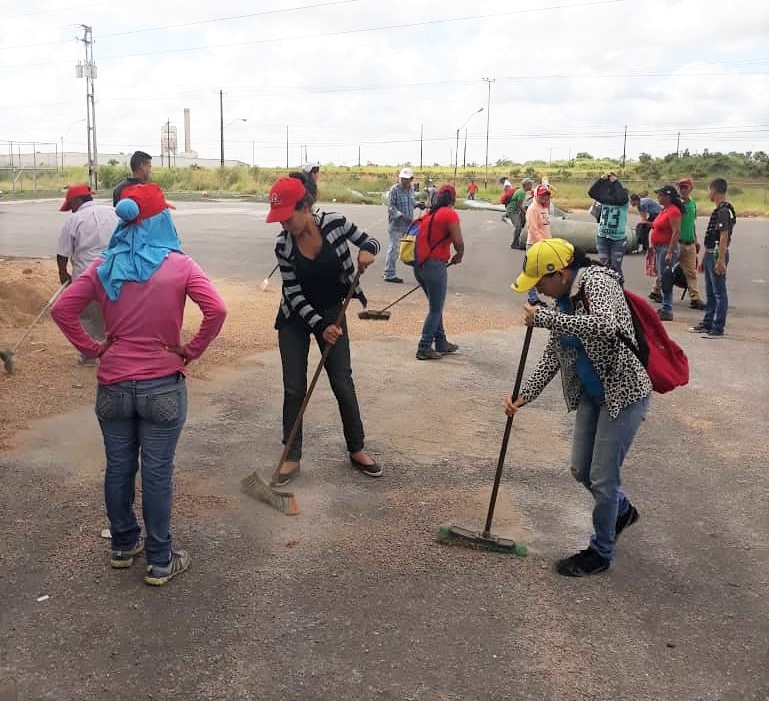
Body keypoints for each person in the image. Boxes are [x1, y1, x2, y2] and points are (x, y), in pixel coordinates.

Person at [51, 182, 227, 586]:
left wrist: (94, 348)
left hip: (113, 383)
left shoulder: (104, 265)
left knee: (118, 467)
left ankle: (122, 545)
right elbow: (216, 309)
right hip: (163, 384)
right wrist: (190, 350)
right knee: (157, 472)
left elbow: (63, 310)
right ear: (160, 220)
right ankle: (160, 559)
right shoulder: (179, 265)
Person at [507, 238, 652, 577]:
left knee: (602, 479)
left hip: (623, 394)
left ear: (558, 273)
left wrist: (545, 319)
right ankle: (622, 510)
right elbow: (552, 357)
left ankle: (600, 552)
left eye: (540, 281)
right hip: (592, 394)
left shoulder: (597, 282)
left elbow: (605, 324)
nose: (539, 291)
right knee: (581, 471)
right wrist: (523, 395)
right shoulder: (561, 302)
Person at [267, 174, 382, 486]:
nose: (283, 225)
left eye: (287, 218)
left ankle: (356, 448)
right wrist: (320, 326)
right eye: (278, 220)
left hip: (334, 308)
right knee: (294, 387)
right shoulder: (283, 245)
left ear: (305, 206)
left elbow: (370, 241)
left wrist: (367, 251)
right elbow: (293, 293)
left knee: (342, 381)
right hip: (296, 317)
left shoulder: (335, 222)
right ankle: (291, 455)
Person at [56, 184, 118, 363]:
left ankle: (90, 354)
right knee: (113, 312)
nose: (71, 210)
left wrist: (63, 273)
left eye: (70, 205)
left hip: (86, 275)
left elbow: (62, 253)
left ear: (76, 200)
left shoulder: (74, 220)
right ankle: (114, 351)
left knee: (88, 315)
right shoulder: (113, 212)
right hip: (115, 271)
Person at [413, 185, 465, 360]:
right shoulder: (449, 214)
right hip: (435, 265)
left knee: (436, 306)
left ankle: (441, 342)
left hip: (419, 265)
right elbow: (458, 241)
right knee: (435, 308)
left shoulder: (428, 214)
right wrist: (460, 254)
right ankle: (424, 347)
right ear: (453, 199)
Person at [690, 178, 735, 338]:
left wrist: (720, 260)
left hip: (717, 254)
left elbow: (724, 236)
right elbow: (712, 238)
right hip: (710, 253)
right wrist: (703, 258)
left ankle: (718, 326)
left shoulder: (723, 211)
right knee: (710, 292)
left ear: (714, 191)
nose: (709, 193)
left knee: (719, 292)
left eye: (709, 190)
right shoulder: (719, 210)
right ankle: (708, 322)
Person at [649, 185, 684, 321]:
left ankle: (667, 308)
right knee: (662, 278)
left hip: (666, 248)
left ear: (668, 197)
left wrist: (670, 251)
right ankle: (665, 306)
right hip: (660, 248)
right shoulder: (665, 210)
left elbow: (676, 232)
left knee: (666, 279)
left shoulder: (673, 211)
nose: (658, 197)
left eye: (661, 195)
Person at [587, 172, 629, 277]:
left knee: (615, 268)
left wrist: (615, 181)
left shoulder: (623, 200)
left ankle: (619, 289)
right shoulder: (605, 199)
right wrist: (601, 180)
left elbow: (621, 198)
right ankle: (608, 289)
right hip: (603, 237)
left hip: (618, 239)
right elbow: (592, 192)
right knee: (604, 266)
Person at [676, 177, 705, 310]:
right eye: (680, 187)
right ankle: (657, 290)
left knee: (691, 272)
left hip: (689, 242)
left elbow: (691, 223)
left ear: (690, 188)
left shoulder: (692, 204)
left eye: (685, 187)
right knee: (666, 269)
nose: (682, 190)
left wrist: (695, 239)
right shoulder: (676, 204)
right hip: (676, 242)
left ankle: (694, 298)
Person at [523, 184, 553, 306]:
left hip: (546, 244)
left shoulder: (544, 207)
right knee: (532, 273)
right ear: (536, 195)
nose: (544, 197)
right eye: (542, 195)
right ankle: (533, 298)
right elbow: (532, 229)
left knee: (546, 272)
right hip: (535, 245)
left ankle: (547, 296)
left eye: (546, 195)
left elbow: (545, 227)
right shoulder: (532, 209)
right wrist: (542, 243)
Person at [384, 168, 415, 283]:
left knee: (411, 248)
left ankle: (419, 271)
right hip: (396, 225)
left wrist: (417, 204)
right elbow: (391, 207)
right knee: (394, 249)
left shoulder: (411, 189)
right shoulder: (394, 190)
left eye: (407, 179)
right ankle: (389, 274)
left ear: (411, 179)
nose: (404, 181)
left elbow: (411, 202)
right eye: (402, 179)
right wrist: (402, 216)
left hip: (408, 225)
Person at [507, 178, 534, 249]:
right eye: (530, 184)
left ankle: (517, 242)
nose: (531, 185)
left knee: (520, 226)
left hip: (514, 210)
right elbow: (519, 205)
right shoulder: (521, 192)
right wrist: (525, 212)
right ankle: (514, 244)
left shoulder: (521, 191)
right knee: (518, 227)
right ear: (526, 185)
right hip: (512, 210)